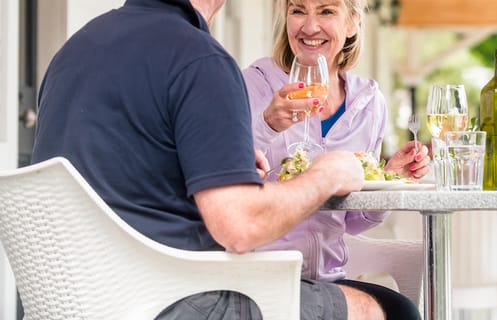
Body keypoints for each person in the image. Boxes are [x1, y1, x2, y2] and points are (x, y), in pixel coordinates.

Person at [31, 0, 386, 319]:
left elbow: (131, 162)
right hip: (169, 298)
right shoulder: (200, 58)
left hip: (78, 299)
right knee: (386, 309)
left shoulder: (74, 49)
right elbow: (240, 229)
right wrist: (327, 174)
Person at [241, 0, 425, 318]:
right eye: (298, 10)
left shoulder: (369, 103)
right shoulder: (256, 83)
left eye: (326, 11)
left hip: (329, 277)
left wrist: (386, 178)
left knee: (403, 311)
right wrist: (268, 124)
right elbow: (224, 176)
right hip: (261, 271)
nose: (309, 27)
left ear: (352, 23)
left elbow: (351, 220)